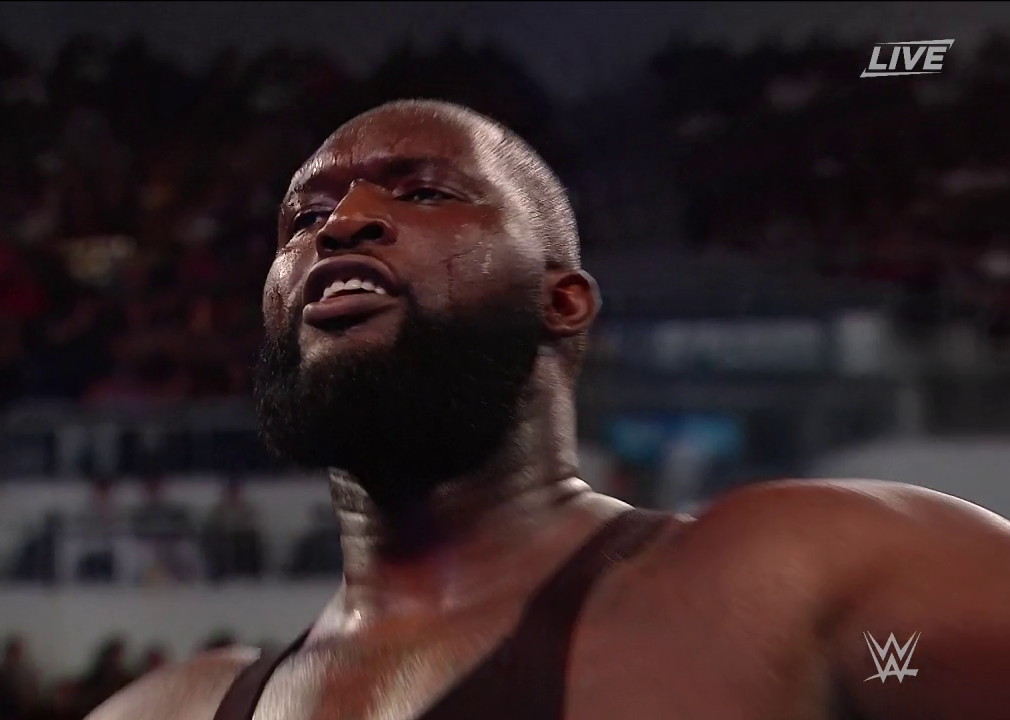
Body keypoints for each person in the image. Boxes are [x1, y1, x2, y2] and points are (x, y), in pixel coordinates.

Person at [87, 99, 1010, 720]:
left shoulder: (799, 578)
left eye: (423, 191)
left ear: (560, 301)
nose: (341, 222)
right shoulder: (169, 711)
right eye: (303, 218)